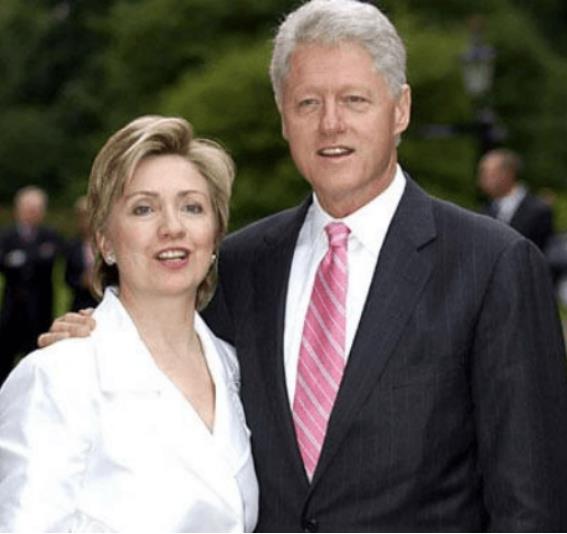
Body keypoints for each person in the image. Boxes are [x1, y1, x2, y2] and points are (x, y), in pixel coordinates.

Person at [38, 0, 567, 531]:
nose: (331, 124)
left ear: (400, 109)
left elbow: (532, 507)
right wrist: (95, 343)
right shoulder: (239, 266)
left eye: (354, 100)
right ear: (283, 117)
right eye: (308, 102)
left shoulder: (492, 266)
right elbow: (169, 361)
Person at [0, 116, 258, 532]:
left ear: (214, 236)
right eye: (144, 208)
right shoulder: (58, 377)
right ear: (105, 242)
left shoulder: (237, 369)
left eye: (192, 207)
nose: (172, 227)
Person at [0, 186, 63, 385]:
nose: (33, 214)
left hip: (41, 311)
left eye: (37, 209)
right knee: (5, 361)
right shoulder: (6, 236)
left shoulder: (50, 235)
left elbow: (52, 256)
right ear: (18, 210)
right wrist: (34, 256)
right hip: (13, 311)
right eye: (29, 209)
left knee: (38, 362)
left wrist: (22, 258)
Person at [478, 147, 554, 251]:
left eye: (487, 174)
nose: (481, 180)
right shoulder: (485, 211)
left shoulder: (539, 210)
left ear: (507, 174)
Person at [64, 195, 99, 311]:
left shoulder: (110, 243)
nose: (86, 221)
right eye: (81, 216)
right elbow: (67, 278)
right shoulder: (72, 245)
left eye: (88, 215)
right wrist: (81, 281)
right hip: (81, 305)